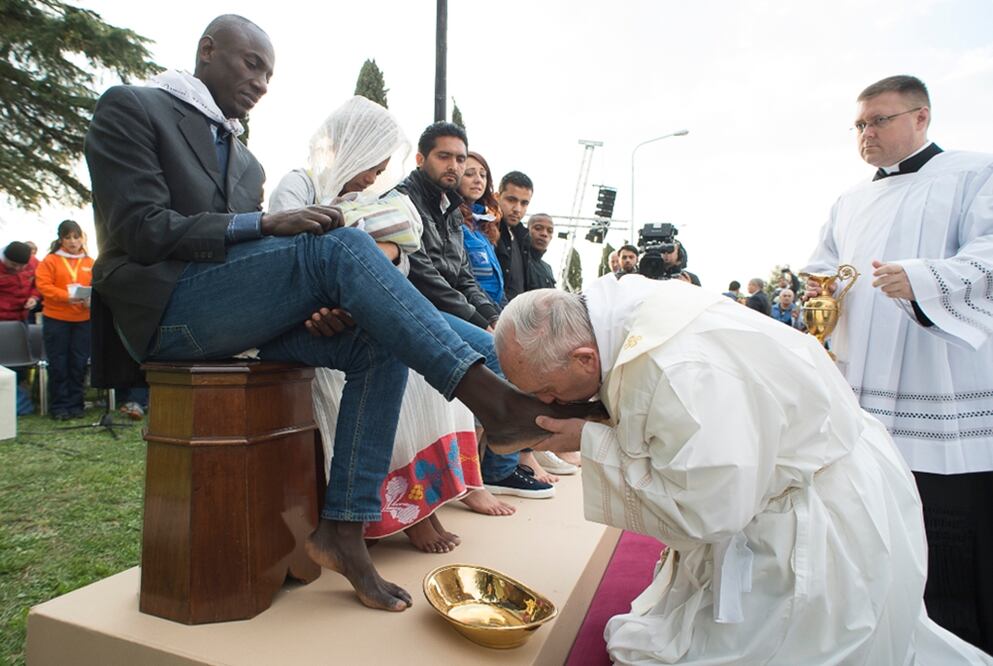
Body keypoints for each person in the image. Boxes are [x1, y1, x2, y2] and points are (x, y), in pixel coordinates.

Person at [84, 14, 601, 612]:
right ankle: (494, 398)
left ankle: (345, 528)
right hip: (169, 313)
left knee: (374, 340)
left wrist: (313, 304)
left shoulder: (243, 159)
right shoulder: (133, 108)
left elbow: (253, 270)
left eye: (270, 74)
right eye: (252, 64)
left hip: (235, 316)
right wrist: (265, 224)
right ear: (206, 51)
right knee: (341, 243)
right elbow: (139, 231)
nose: (261, 82)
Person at [492, 277, 993, 665]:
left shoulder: (679, 368)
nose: (547, 402)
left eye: (547, 389)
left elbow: (708, 509)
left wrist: (589, 440)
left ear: (583, 356)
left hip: (817, 512)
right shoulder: (618, 313)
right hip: (800, 473)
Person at [803, 74, 993, 652]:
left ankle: (966, 645)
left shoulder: (974, 173)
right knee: (881, 530)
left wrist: (922, 280)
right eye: (860, 124)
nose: (867, 133)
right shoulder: (849, 201)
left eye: (879, 120)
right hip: (866, 390)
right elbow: (822, 269)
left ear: (921, 117)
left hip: (943, 387)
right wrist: (821, 296)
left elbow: (988, 257)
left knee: (952, 540)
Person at [268, 95, 497, 550]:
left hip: (358, 314)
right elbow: (283, 263)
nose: (377, 174)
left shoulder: (367, 201)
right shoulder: (298, 187)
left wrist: (384, 255)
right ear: (351, 147)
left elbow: (397, 265)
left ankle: (424, 504)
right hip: (308, 325)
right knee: (397, 371)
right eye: (374, 162)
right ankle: (399, 511)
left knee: (430, 378)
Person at [394, 124, 554, 498]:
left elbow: (463, 276)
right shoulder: (405, 199)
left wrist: (494, 318)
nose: (454, 165)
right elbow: (423, 275)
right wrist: (480, 321)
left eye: (460, 158)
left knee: (512, 345)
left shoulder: (450, 209)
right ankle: (492, 471)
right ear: (421, 159)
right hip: (417, 306)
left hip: (447, 307)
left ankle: (505, 464)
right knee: (500, 355)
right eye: (444, 156)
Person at [34, 220, 94, 420]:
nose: (72, 242)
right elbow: (43, 286)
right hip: (57, 318)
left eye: (76, 237)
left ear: (82, 238)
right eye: (68, 237)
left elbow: (98, 285)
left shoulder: (89, 262)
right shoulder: (50, 260)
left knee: (78, 363)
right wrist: (66, 297)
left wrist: (90, 300)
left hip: (83, 319)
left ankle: (77, 405)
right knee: (59, 362)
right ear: (60, 239)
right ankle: (59, 406)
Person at [458, 151, 505, 307]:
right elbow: (464, 279)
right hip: (473, 308)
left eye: (483, 175)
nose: (478, 180)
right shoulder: (453, 221)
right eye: (469, 174)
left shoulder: (483, 223)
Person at [494, 171, 533, 302]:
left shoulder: (523, 238)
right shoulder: (487, 231)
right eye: (511, 200)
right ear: (497, 197)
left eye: (524, 203)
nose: (517, 208)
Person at [0, 241, 39, 322]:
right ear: (4, 258)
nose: (17, 268)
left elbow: (38, 283)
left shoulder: (34, 263)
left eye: (22, 266)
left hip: (23, 316)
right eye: (13, 264)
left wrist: (34, 297)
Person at [524, 213, 556, 290]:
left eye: (550, 231)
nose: (544, 234)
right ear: (527, 230)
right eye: (538, 228)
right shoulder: (518, 260)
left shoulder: (547, 268)